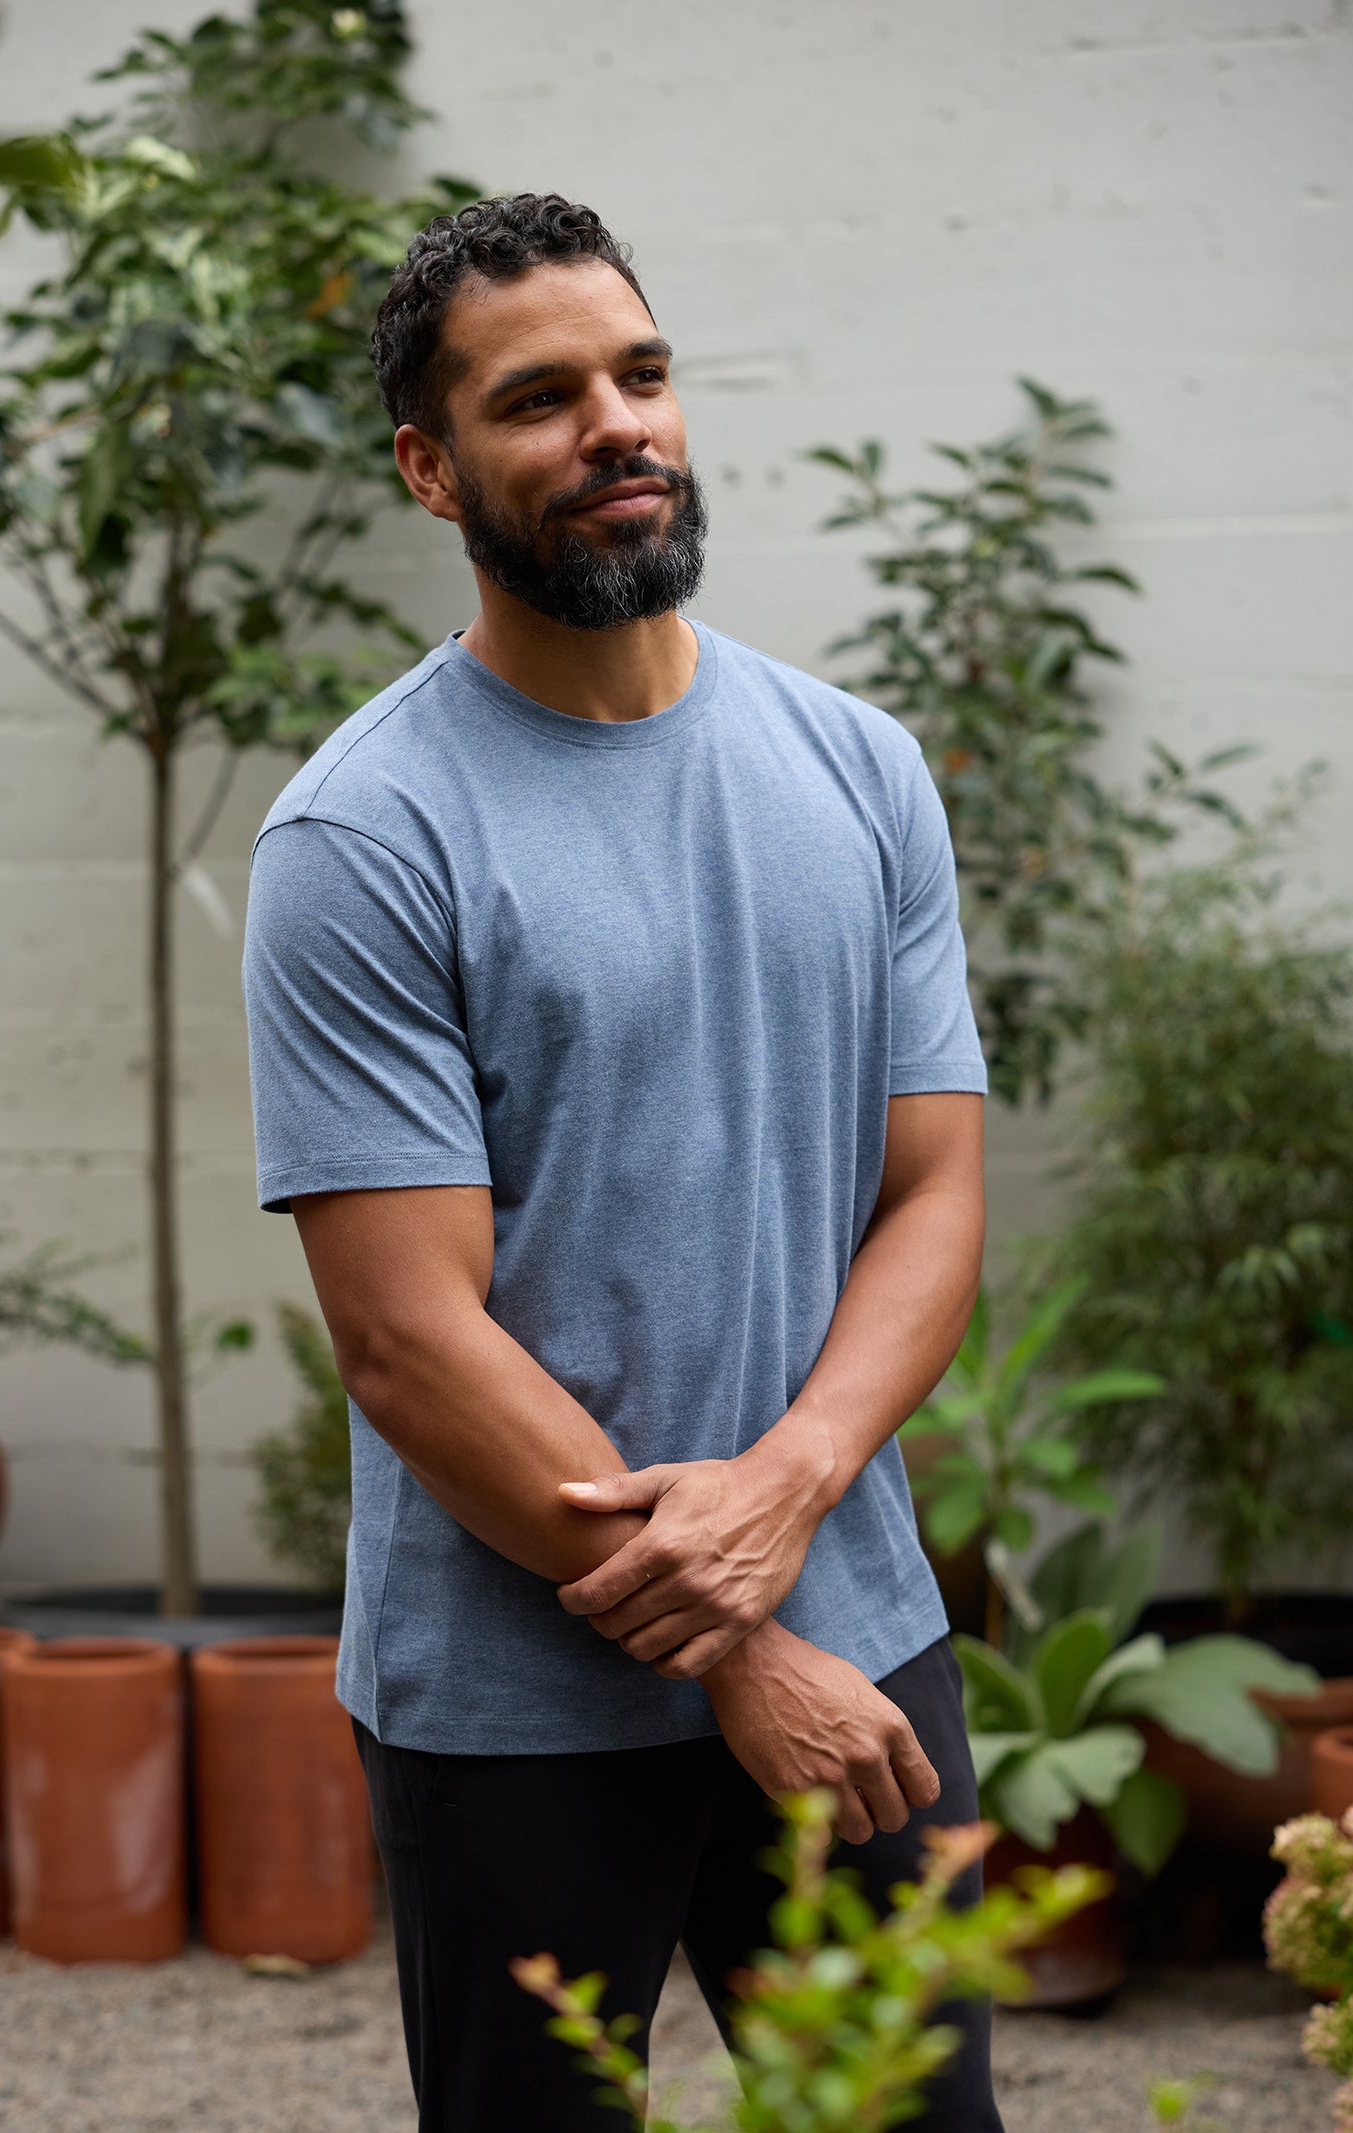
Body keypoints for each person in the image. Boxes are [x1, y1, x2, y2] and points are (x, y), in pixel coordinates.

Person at [242, 193, 995, 2133]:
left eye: (640, 374)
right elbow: (408, 1337)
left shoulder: (855, 767)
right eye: (540, 396)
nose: (615, 425)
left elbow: (928, 1194)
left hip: (857, 1625)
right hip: (514, 1704)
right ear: (431, 464)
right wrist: (732, 1639)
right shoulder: (368, 834)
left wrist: (792, 1490)